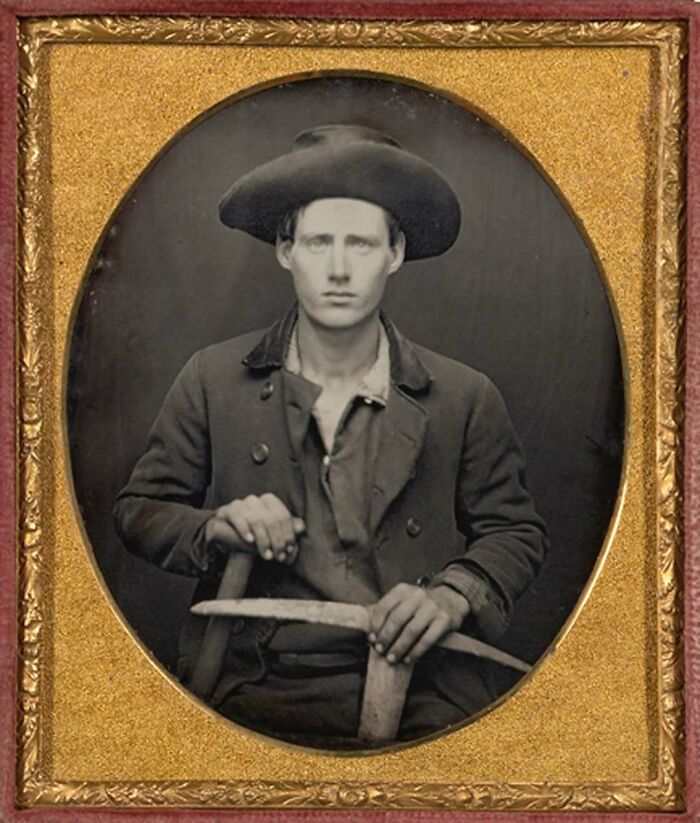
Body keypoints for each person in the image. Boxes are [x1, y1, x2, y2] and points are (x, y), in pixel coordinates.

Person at [114, 124, 548, 748]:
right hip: (252, 684)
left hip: (424, 688)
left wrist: (453, 596)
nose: (339, 269)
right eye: (319, 242)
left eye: (361, 244)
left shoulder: (464, 395)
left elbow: (515, 531)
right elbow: (139, 511)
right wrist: (217, 527)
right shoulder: (212, 379)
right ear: (284, 249)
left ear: (395, 253)